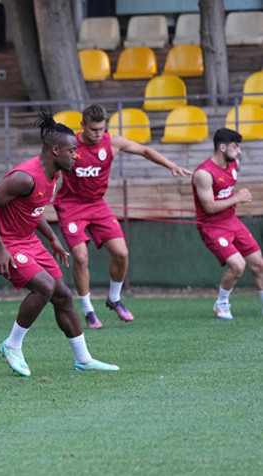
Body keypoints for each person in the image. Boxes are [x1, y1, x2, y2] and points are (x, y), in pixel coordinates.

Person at [0, 111, 119, 377]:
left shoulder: (53, 173)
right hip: (7, 244)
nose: (75, 155)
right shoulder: (25, 177)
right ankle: (12, 345)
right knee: (44, 287)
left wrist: (53, 238)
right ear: (55, 150)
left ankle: (83, 359)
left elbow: (33, 209)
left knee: (63, 295)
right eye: (71, 151)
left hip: (29, 241)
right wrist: (0, 247)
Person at [53, 104, 190, 329]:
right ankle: (88, 310)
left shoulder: (112, 142)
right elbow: (49, 167)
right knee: (81, 257)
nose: (98, 134)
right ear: (82, 126)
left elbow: (145, 151)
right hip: (71, 206)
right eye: (93, 130)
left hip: (98, 205)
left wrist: (170, 165)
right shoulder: (70, 144)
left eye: (101, 129)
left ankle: (114, 299)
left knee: (121, 253)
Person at [192, 128, 263, 319]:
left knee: (258, 264)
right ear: (222, 147)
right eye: (235, 147)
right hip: (212, 227)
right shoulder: (203, 174)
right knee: (238, 266)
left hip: (232, 222)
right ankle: (222, 303)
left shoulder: (234, 164)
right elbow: (209, 208)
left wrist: (234, 199)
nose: (239, 151)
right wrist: (237, 198)